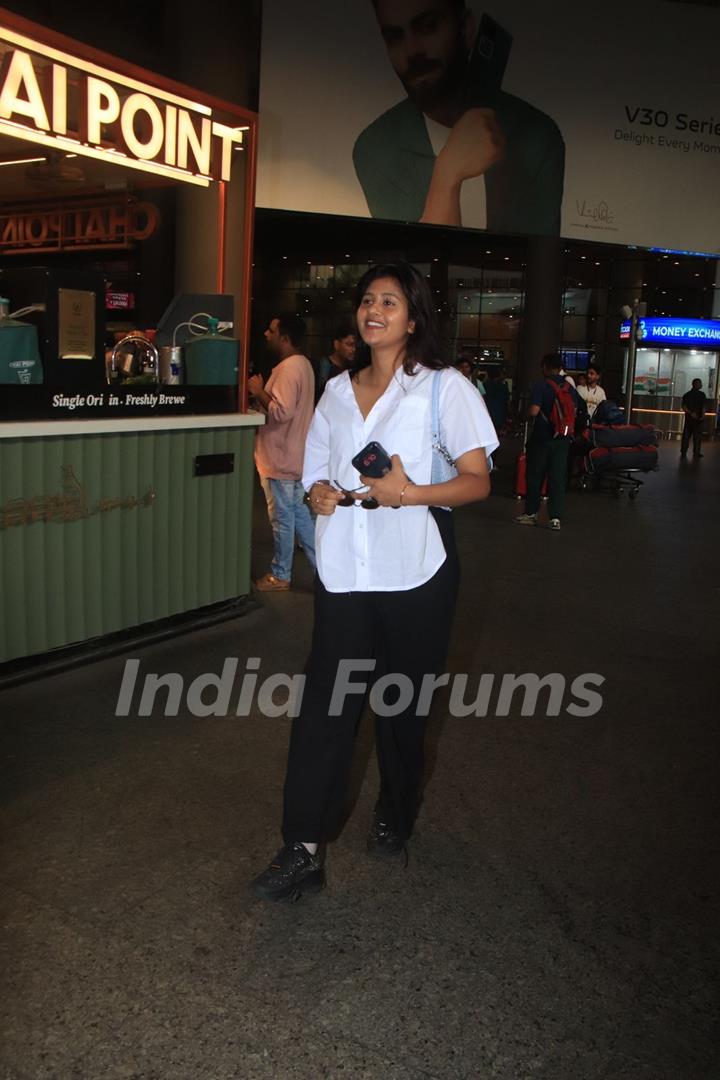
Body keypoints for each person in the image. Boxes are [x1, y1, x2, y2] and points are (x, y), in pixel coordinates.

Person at [251, 261, 498, 901]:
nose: (374, 310)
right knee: (325, 708)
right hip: (345, 568)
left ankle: (395, 804)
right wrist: (321, 492)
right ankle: (302, 846)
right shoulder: (334, 390)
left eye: (390, 301)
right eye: (367, 300)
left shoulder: (443, 388)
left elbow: (478, 480)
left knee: (401, 706)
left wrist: (408, 492)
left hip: (418, 566)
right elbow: (313, 471)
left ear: (413, 318)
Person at [353, 0, 565, 236]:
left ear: (465, 26)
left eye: (428, 26)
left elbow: (535, 258)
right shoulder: (374, 148)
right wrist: (447, 174)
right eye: (394, 37)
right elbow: (419, 259)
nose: (412, 50)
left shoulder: (538, 136)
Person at [248, 313, 317, 592]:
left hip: (279, 458)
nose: (267, 334)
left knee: (283, 519)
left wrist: (257, 390)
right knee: (299, 516)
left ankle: (280, 575)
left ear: (285, 338)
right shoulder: (304, 366)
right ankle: (324, 572)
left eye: (272, 330)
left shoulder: (288, 369)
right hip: (295, 456)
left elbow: (281, 411)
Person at [515, 353, 580, 531]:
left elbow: (534, 411)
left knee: (535, 475)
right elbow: (575, 410)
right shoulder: (569, 387)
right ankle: (555, 518)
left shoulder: (541, 385)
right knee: (557, 477)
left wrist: (524, 416)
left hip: (542, 438)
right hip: (563, 439)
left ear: (544, 366)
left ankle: (531, 514)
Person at [314, 323, 357, 402]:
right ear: (336, 344)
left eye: (354, 345)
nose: (353, 349)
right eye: (349, 344)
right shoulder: (324, 367)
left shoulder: (351, 369)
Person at [680, 378, 707, 459]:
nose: (701, 385)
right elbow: (704, 407)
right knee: (697, 437)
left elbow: (684, 407)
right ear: (696, 384)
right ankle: (696, 453)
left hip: (688, 420)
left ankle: (683, 451)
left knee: (686, 436)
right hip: (698, 420)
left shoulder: (686, 395)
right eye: (700, 383)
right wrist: (702, 415)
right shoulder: (702, 395)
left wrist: (691, 413)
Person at [483, 368, 509, 433]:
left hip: (487, 410)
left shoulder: (484, 385)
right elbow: (507, 400)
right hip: (500, 411)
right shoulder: (503, 386)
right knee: (497, 431)